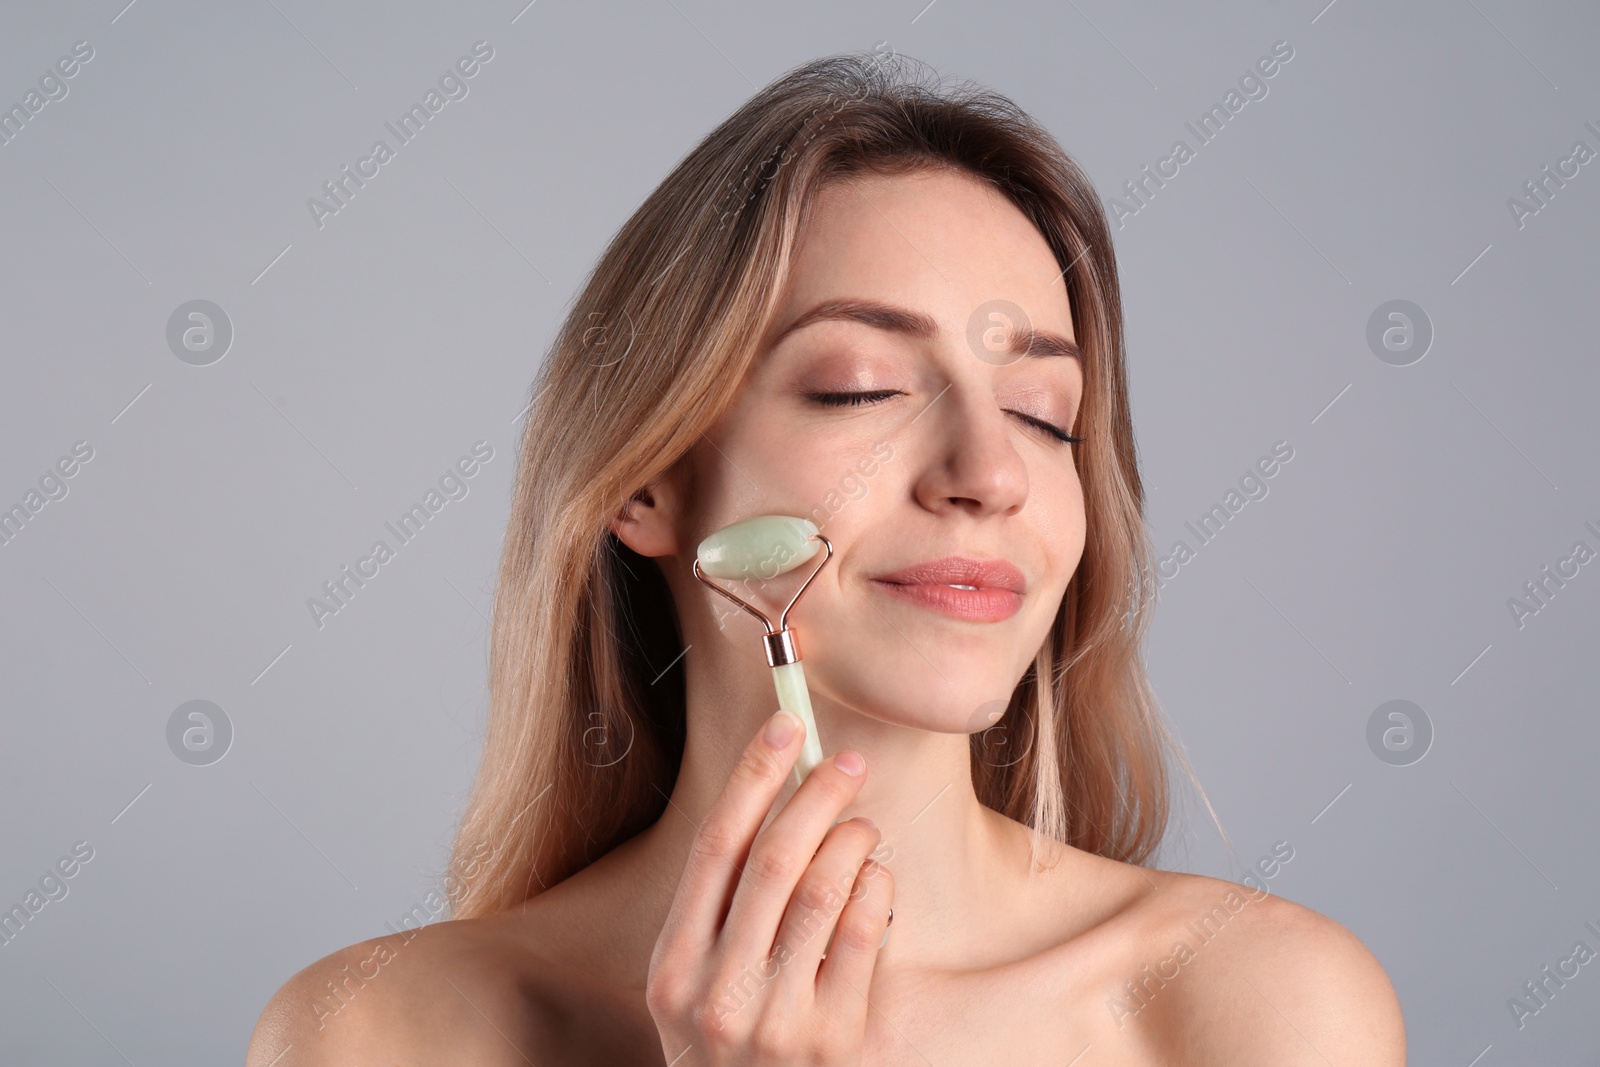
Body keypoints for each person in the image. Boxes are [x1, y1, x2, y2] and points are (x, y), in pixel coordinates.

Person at [247, 50, 1405, 1064]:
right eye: (860, 386)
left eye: (1047, 413)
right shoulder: (373, 1031)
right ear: (643, 479)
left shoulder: (1257, 1004)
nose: (988, 473)